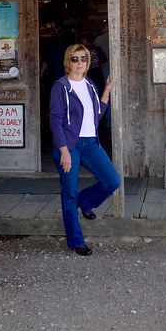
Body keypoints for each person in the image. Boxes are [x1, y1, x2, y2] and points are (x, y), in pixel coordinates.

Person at [48, 43, 120, 256]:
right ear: (67, 61)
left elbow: (97, 114)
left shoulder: (89, 84)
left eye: (83, 59)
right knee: (69, 193)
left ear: (88, 62)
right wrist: (64, 150)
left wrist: (106, 91)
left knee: (112, 180)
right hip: (70, 146)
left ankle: (86, 202)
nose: (79, 63)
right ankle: (76, 241)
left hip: (91, 144)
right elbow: (55, 121)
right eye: (75, 59)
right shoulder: (60, 87)